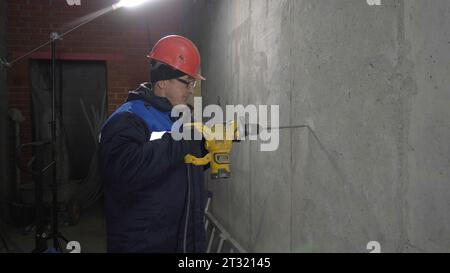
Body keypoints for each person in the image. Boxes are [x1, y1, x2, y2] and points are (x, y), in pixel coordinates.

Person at [98, 35, 207, 253]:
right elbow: (125, 172)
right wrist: (181, 140)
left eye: (194, 83)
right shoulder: (127, 119)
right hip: (144, 244)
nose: (191, 90)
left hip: (185, 240)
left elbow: (177, 166)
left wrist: (205, 151)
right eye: (187, 82)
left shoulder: (179, 118)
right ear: (163, 82)